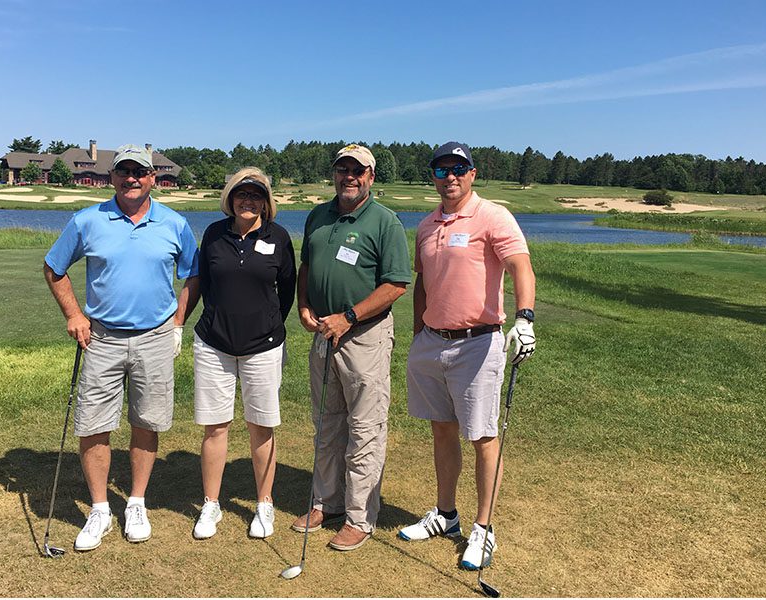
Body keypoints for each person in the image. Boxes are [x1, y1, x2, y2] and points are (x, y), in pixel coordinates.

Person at [43, 144, 200, 552]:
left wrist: (179, 322)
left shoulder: (174, 223)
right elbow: (54, 268)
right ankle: (99, 509)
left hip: (155, 336)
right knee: (94, 422)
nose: (132, 178)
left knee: (147, 421)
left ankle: (136, 502)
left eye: (140, 172)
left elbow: (193, 274)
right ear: (112, 177)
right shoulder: (87, 220)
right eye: (123, 171)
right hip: (102, 338)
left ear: (153, 178)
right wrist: (74, 315)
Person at [396, 141, 536, 570]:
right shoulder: (426, 225)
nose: (450, 177)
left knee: (482, 436)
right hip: (432, 342)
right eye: (441, 170)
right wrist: (420, 331)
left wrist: (525, 317)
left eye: (459, 168)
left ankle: (484, 528)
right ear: (433, 177)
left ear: (472, 173)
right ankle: (446, 515)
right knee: (442, 430)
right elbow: (422, 283)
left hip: (478, 342)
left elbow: (520, 267)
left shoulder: (493, 215)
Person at [293, 144, 412, 551]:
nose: (349, 177)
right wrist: (304, 305)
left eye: (357, 171)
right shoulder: (318, 216)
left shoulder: (385, 222)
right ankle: (326, 502)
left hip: (364, 336)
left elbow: (396, 284)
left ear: (370, 177)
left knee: (364, 428)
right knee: (327, 423)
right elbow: (307, 267)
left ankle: (360, 517)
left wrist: (349, 317)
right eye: (342, 169)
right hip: (324, 333)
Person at [189, 167, 296, 540]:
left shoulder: (279, 237)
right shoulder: (215, 234)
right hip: (213, 343)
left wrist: (268, 326)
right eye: (241, 194)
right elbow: (202, 281)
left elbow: (287, 289)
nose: (247, 201)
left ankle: (264, 503)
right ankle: (211, 504)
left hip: (263, 347)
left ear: (266, 203)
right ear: (230, 199)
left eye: (255, 196)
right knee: (215, 426)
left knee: (261, 426)